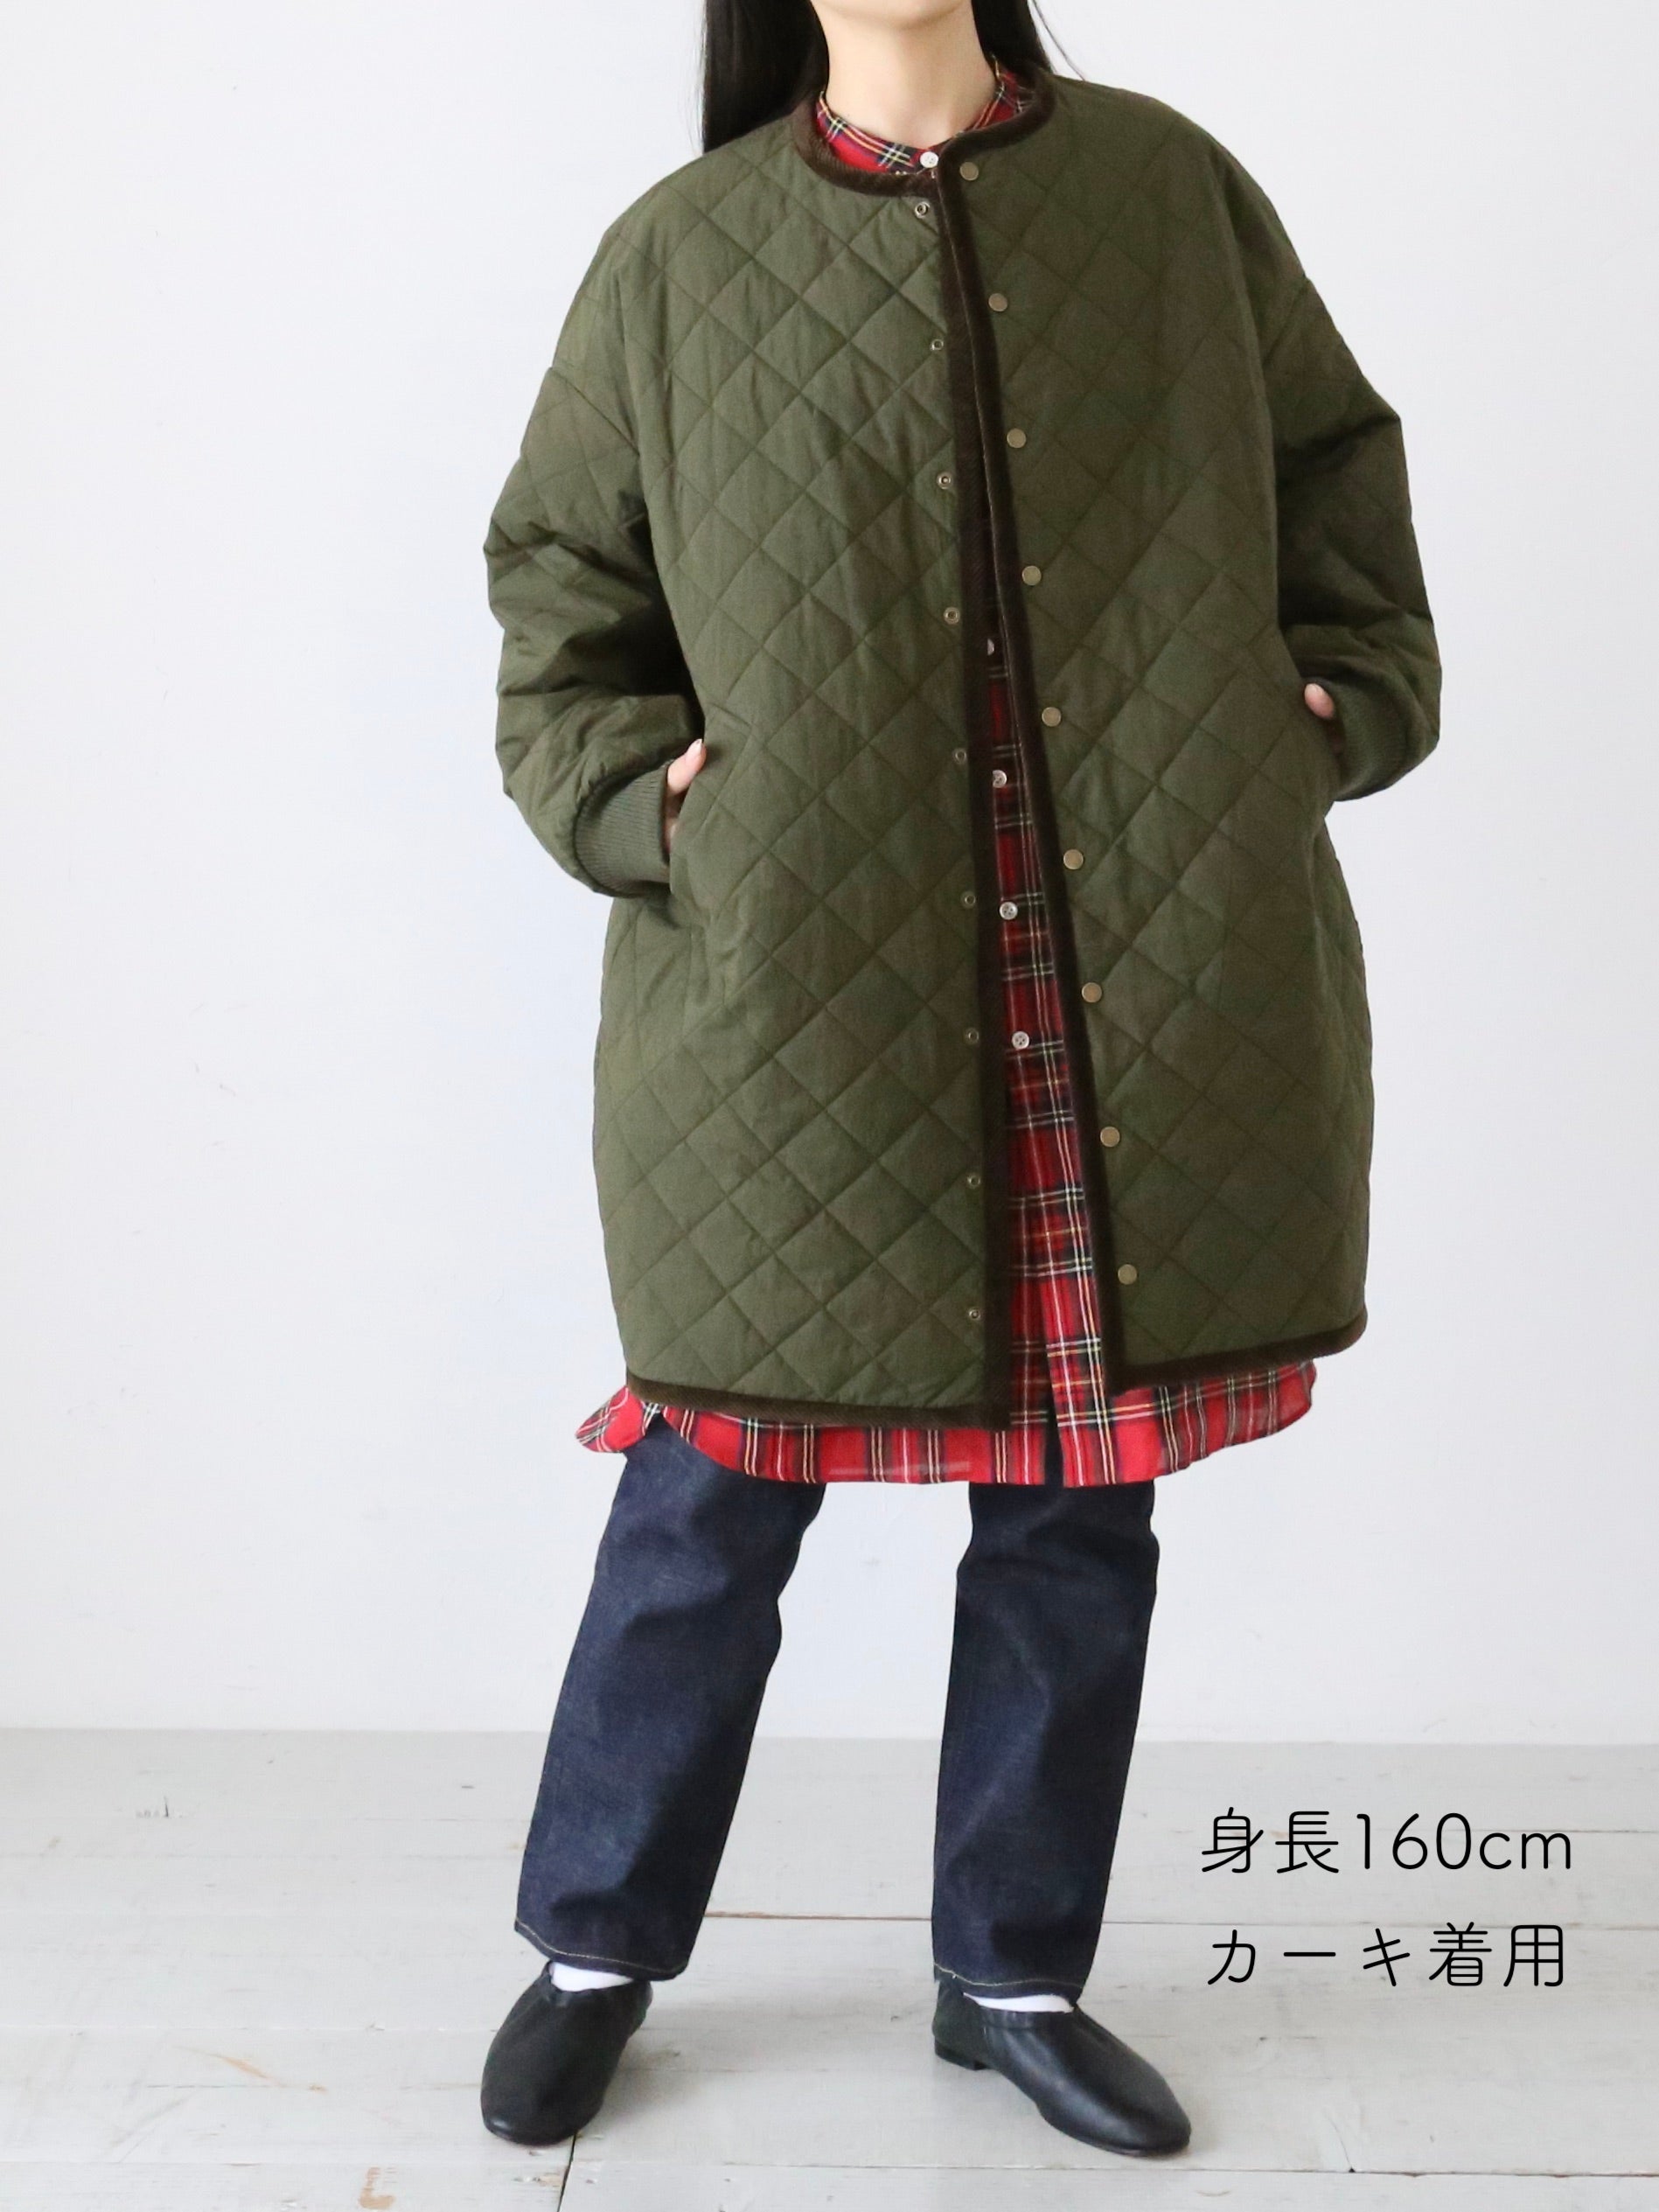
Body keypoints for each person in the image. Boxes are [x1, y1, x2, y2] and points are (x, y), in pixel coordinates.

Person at [477, 0, 1439, 2160]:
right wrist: (654, 804)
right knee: (705, 1503)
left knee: (1078, 1513)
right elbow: (561, 591)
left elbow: (1332, 471)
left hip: (1131, 978)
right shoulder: (677, 254)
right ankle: (593, 1947)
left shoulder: (1166, 192)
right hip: (801, 992)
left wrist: (1325, 713)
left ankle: (1011, 1969)